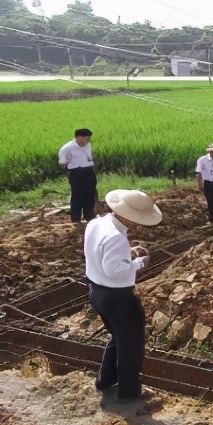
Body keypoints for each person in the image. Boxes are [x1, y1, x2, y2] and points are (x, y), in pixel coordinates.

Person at [85, 189, 162, 402]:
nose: (139, 225)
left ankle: (105, 380)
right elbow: (114, 270)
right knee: (131, 344)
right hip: (117, 297)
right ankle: (129, 394)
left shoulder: (96, 223)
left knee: (118, 337)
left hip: (97, 292)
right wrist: (138, 263)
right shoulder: (116, 237)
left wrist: (128, 252)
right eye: (138, 220)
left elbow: (102, 253)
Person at [58, 127, 97, 223]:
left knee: (90, 194)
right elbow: (62, 162)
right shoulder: (67, 148)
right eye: (86, 139)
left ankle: (89, 217)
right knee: (77, 196)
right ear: (79, 137)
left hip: (89, 171)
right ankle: (76, 219)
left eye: (89, 139)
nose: (87, 141)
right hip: (76, 172)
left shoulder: (87, 145)